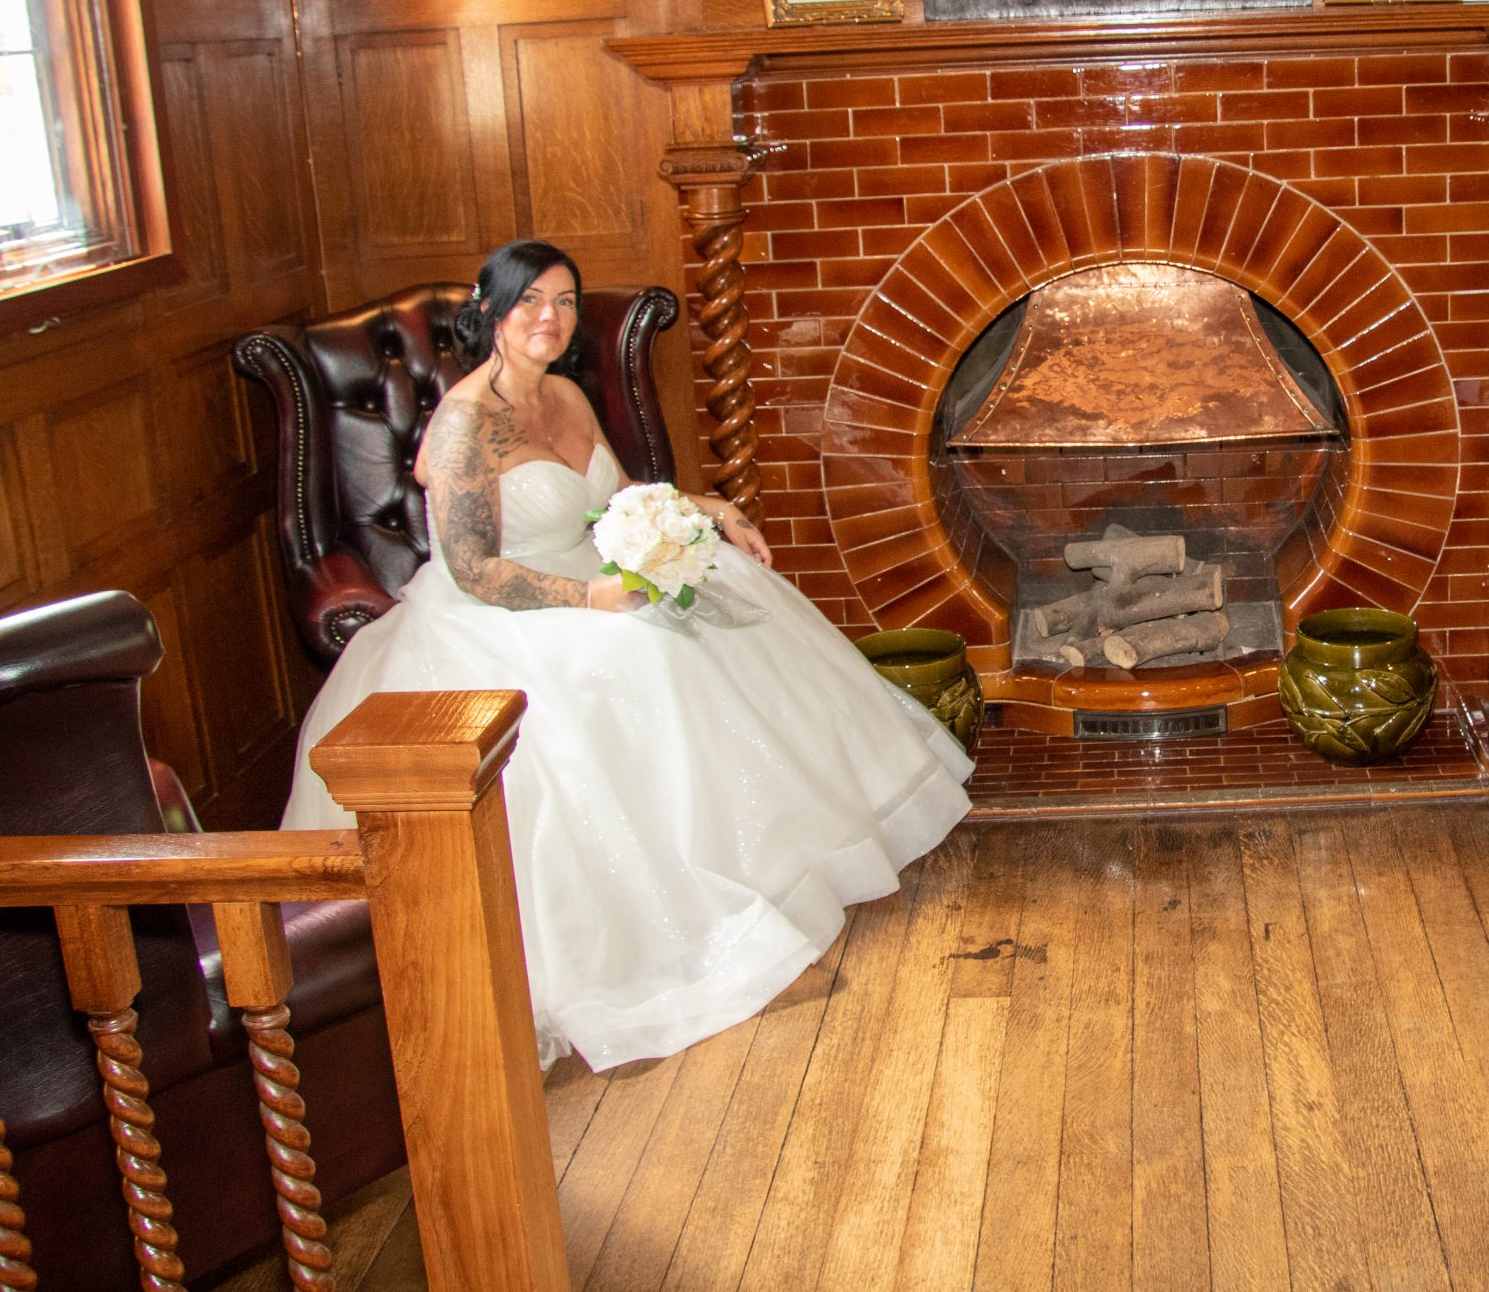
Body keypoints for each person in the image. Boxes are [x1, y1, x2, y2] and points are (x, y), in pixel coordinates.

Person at [280, 240, 972, 1069]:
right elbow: (473, 571)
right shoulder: (464, 423)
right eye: (531, 299)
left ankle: (783, 865)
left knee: (726, 598)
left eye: (566, 302)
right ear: (491, 308)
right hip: (502, 617)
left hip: (586, 571)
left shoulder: (565, 390)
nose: (551, 317)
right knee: (644, 652)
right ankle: (697, 919)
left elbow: (616, 502)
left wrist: (708, 509)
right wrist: (592, 599)